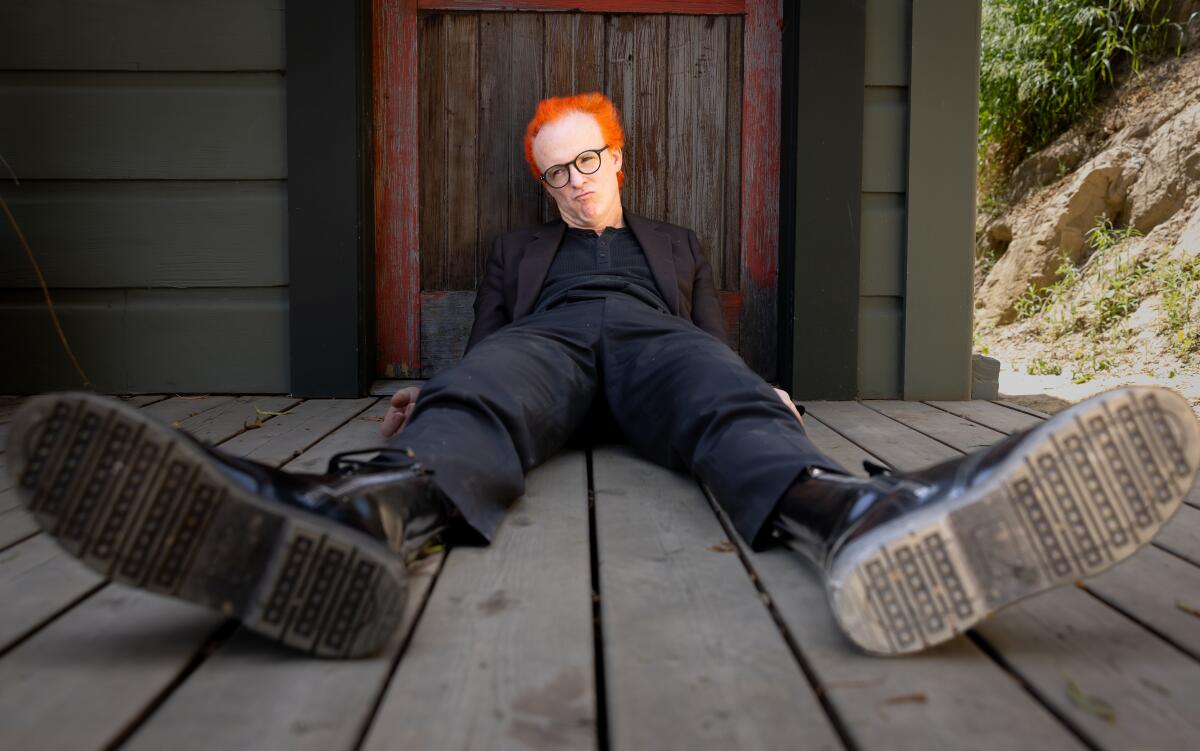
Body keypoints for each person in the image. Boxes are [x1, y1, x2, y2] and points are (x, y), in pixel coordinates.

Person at [8, 93, 1199, 660]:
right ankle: (363, 513)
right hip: (547, 342)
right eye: (555, 173)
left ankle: (863, 516)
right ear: (541, 189)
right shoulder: (520, 253)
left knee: (715, 395)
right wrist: (441, 386)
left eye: (586, 162)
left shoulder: (675, 247)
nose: (574, 182)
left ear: (618, 157)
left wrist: (754, 384)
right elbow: (486, 341)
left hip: (650, 338)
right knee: (490, 395)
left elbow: (705, 342)